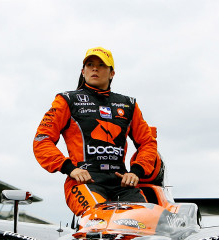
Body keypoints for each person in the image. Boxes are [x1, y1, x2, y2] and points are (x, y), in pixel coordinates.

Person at [33, 46, 159, 216]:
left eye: (101, 65)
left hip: (122, 183)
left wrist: (136, 172)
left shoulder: (128, 105)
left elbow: (147, 142)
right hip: (85, 182)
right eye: (90, 64)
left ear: (112, 73)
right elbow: (42, 139)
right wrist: (69, 168)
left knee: (148, 219)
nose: (94, 68)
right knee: (100, 217)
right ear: (82, 71)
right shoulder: (67, 100)